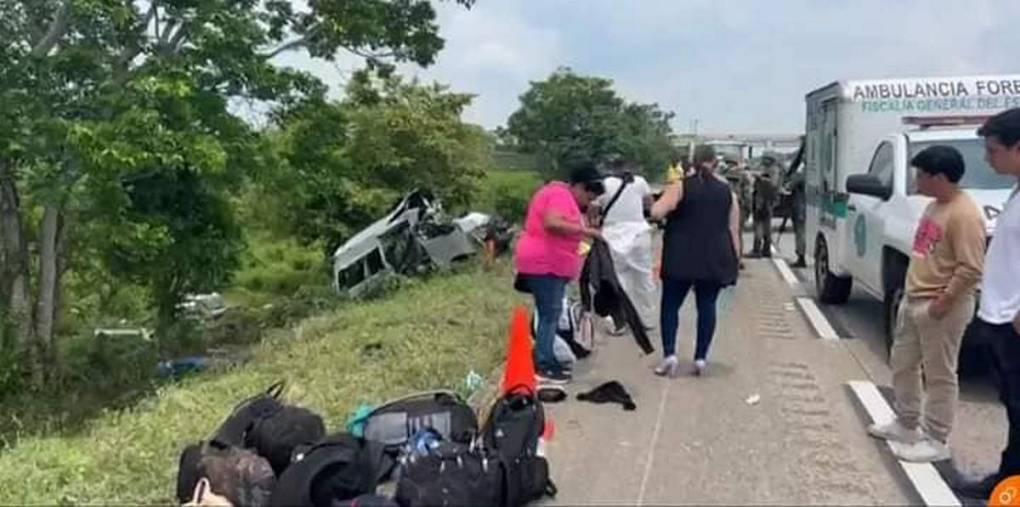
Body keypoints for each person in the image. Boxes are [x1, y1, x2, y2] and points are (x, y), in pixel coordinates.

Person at [866, 145, 985, 463]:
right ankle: (906, 423)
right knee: (902, 363)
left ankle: (937, 437)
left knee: (939, 373)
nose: (916, 180)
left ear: (940, 177)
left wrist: (944, 302)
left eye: (921, 175)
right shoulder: (934, 206)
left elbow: (971, 268)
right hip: (915, 298)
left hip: (940, 305)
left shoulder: (965, 214)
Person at [952, 109, 1020, 499]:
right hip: (999, 316)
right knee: (1013, 408)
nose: (986, 158)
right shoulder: (1015, 189)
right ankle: (1008, 479)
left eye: (993, 150)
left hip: (1013, 322)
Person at [649, 145, 740, 377]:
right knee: (707, 306)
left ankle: (670, 355)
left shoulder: (680, 186)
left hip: (681, 256)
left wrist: (659, 205)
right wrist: (734, 261)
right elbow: (733, 230)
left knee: (670, 305)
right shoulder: (728, 192)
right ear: (715, 163)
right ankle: (700, 358)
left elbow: (657, 212)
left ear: (692, 162)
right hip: (715, 257)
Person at [514, 165, 605, 385]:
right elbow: (552, 222)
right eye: (587, 196)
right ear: (580, 187)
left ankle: (546, 357)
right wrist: (586, 231)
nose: (587, 202)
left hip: (549, 263)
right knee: (549, 314)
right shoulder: (560, 195)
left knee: (549, 313)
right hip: (544, 263)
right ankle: (542, 363)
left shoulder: (560, 195)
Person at [592, 161, 657, 340]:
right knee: (644, 277)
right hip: (639, 233)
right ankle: (646, 320)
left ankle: (619, 322)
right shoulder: (640, 182)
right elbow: (649, 204)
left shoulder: (604, 184)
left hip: (613, 234)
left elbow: (594, 208)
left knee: (617, 279)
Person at [750, 155, 781, 258]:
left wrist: (759, 177)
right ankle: (765, 249)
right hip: (766, 202)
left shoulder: (773, 171)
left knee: (760, 226)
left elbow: (773, 184)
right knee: (766, 226)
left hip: (763, 202)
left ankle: (758, 249)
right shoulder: (773, 170)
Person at [785, 168, 808, 267]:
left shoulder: (801, 175)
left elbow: (789, 187)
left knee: (800, 233)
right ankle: (801, 256)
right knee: (801, 232)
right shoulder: (810, 174)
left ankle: (801, 257)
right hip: (805, 207)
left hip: (799, 208)